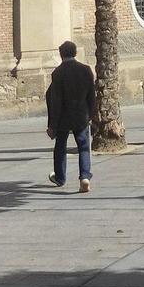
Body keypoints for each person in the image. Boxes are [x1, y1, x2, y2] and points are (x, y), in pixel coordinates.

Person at [45, 40, 95, 193]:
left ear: (61, 54)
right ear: (75, 53)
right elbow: (91, 96)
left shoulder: (57, 73)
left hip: (63, 118)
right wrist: (91, 115)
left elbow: (55, 100)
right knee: (84, 147)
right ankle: (84, 177)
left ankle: (60, 177)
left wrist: (52, 124)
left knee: (60, 147)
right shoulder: (86, 70)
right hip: (81, 116)